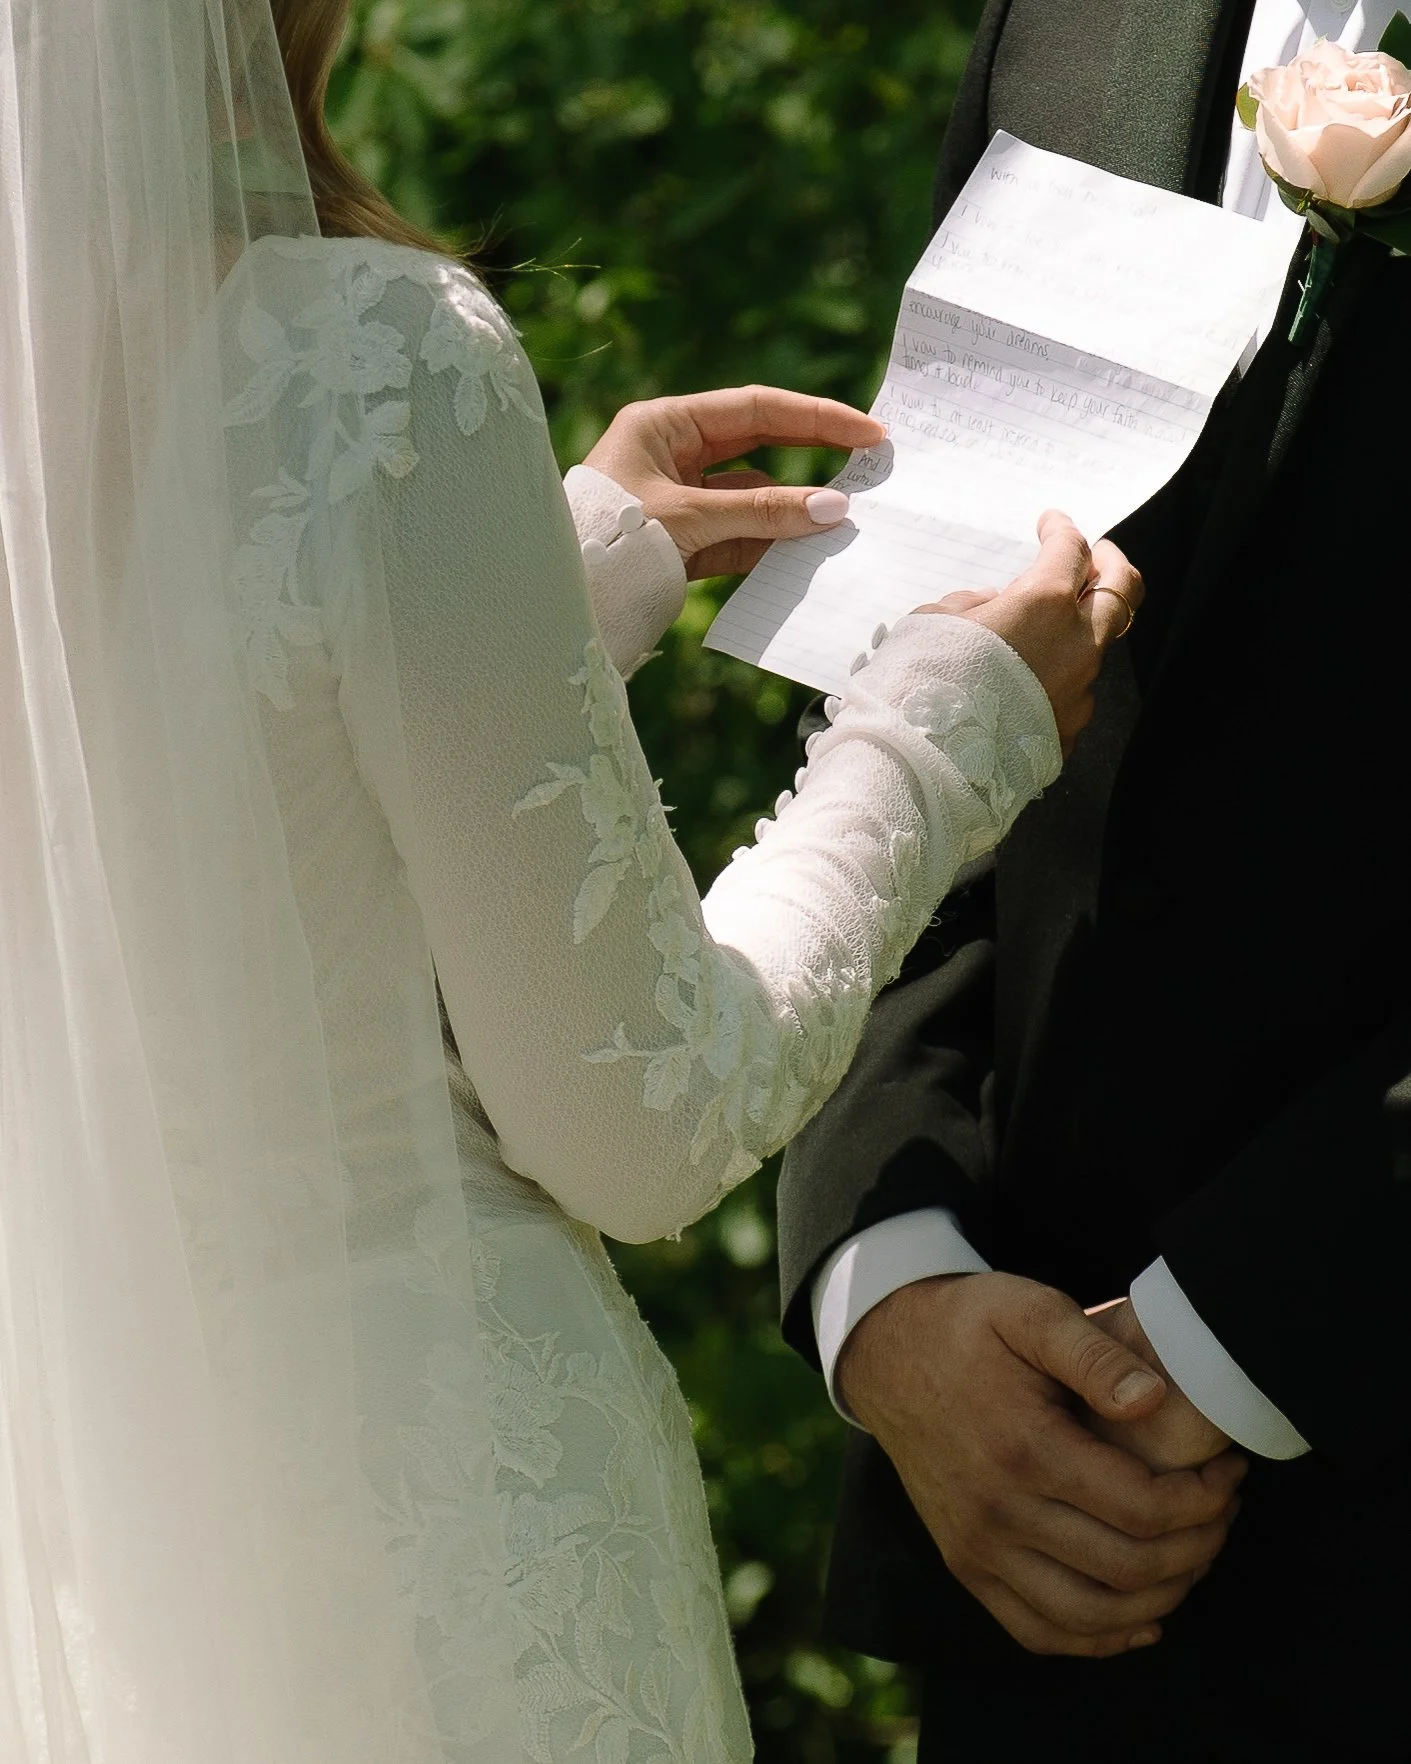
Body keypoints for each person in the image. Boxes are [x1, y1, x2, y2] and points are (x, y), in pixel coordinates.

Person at [0, 0, 1172, 1757]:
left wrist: (553, 576)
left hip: (103, 1555)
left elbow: (142, 823)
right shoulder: (366, 355)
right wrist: (937, 734)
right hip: (447, 1584)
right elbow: (646, 1111)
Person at [777, 1, 1411, 1759]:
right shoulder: (1070, 22)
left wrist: (1229, 1334)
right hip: (1020, 1521)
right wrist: (887, 1270)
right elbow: (935, 660)